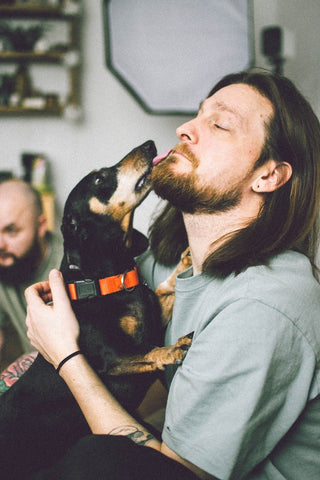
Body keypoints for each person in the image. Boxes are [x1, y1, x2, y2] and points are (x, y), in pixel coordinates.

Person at [25, 71, 320, 480]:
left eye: (219, 123)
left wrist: (64, 356)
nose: (184, 129)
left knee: (93, 460)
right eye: (197, 116)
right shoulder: (168, 263)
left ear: (268, 175)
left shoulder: (264, 305)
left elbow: (167, 473)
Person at [0, 178, 63, 365]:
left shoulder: (72, 268)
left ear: (41, 226)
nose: (0, 244)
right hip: (36, 377)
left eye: (11, 231)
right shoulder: (6, 260)